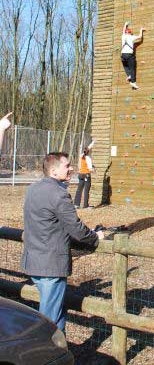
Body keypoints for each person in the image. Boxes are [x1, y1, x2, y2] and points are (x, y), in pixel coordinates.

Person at [21, 152, 105, 332]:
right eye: (66, 166)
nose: (71, 168)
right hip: (51, 264)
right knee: (48, 321)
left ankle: (61, 353)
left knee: (56, 313)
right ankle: (44, 356)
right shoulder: (59, 194)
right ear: (53, 171)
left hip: (33, 260)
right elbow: (76, 229)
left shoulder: (32, 189)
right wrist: (95, 237)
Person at [121, 21, 144, 89]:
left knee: (125, 66)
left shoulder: (123, 36)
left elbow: (123, 31)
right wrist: (141, 30)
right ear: (130, 33)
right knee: (132, 68)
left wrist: (125, 24)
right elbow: (140, 37)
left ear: (125, 32)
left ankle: (129, 75)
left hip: (123, 55)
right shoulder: (131, 37)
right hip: (129, 55)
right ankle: (133, 82)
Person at [74, 141, 94, 209]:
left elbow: (87, 149)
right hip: (86, 175)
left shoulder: (81, 156)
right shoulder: (88, 158)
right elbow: (90, 169)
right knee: (86, 190)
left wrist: (92, 143)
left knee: (79, 189)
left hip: (80, 174)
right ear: (89, 152)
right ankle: (85, 205)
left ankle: (76, 204)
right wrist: (93, 170)